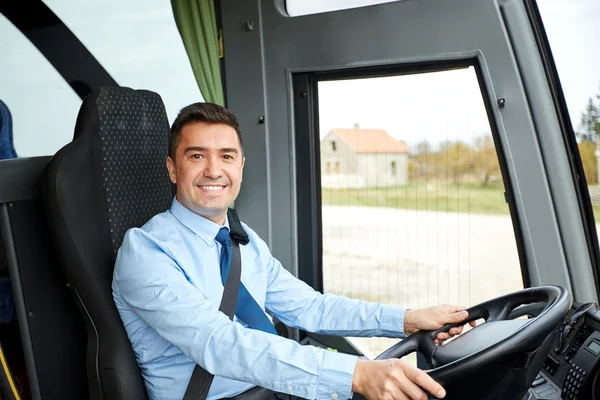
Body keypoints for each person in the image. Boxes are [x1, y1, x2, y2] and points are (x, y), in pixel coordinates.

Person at [112, 103, 475, 400]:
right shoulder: (146, 251)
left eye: (226, 156)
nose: (213, 170)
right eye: (196, 156)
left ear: (240, 167)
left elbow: (309, 307)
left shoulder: (244, 240)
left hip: (278, 390)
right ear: (173, 169)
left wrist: (408, 320)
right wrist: (356, 374)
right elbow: (218, 343)